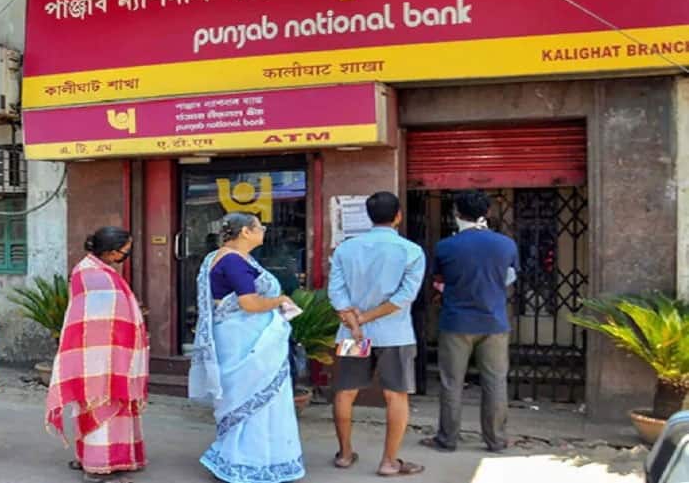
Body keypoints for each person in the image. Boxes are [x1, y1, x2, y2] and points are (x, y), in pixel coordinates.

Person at [189, 213, 306, 483]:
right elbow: (249, 303)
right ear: (245, 231)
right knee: (257, 399)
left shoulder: (224, 257)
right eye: (259, 227)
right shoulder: (232, 260)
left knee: (251, 398)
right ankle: (248, 462)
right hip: (245, 342)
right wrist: (279, 300)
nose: (263, 231)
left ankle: (250, 458)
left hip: (241, 338)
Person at [328, 192, 425, 476]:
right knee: (396, 395)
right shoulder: (411, 251)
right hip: (394, 335)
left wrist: (355, 322)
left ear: (369, 216)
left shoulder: (346, 249)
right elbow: (404, 297)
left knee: (346, 392)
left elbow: (336, 292)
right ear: (398, 216)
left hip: (353, 336)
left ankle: (345, 454)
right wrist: (366, 317)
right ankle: (389, 461)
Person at [46, 227, 149, 483]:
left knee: (104, 405)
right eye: (125, 251)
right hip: (101, 354)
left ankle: (103, 458)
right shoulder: (94, 275)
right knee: (102, 405)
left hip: (102, 351)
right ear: (111, 252)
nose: (126, 255)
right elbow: (101, 317)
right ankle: (97, 466)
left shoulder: (92, 269)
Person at [421, 190, 519, 454]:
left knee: (451, 382)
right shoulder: (506, 245)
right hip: (494, 322)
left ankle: (447, 439)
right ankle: (496, 440)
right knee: (495, 382)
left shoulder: (445, 246)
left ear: (456, 213)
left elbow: (439, 281)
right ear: (487, 212)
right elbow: (509, 278)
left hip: (456, 322)